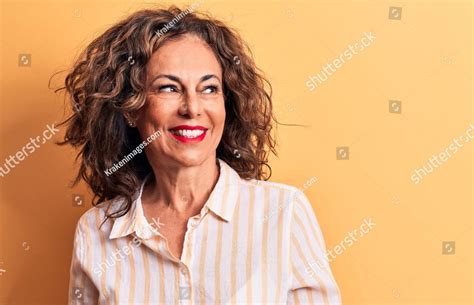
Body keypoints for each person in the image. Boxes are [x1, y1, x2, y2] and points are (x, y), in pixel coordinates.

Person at [59, 5, 341, 304]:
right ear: (130, 108)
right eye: (168, 88)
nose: (192, 108)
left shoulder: (284, 213)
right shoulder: (96, 232)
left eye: (209, 89)